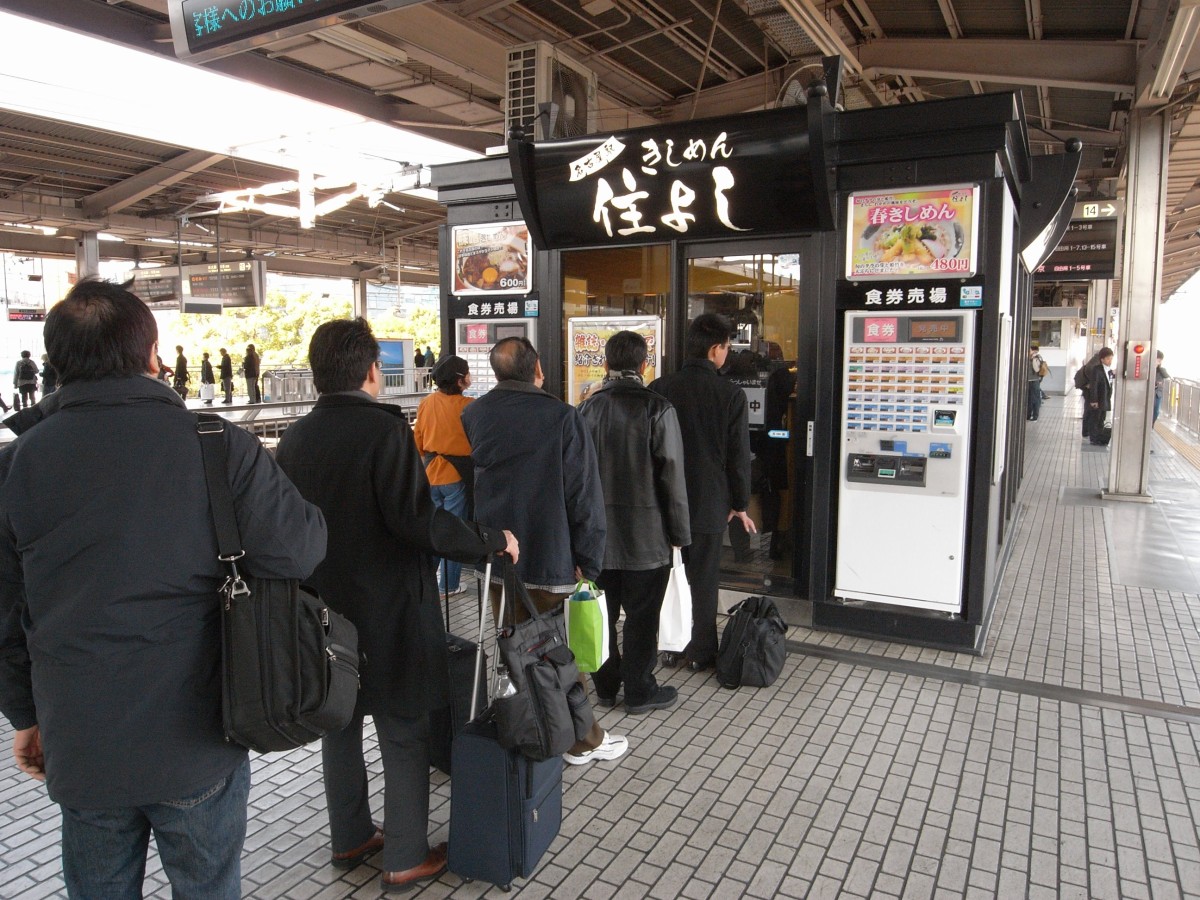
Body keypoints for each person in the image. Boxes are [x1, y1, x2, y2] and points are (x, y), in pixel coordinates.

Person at [0, 278, 327, 899]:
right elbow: (302, 549)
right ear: (154, 356)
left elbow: (5, 611)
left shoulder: (15, 467)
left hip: (81, 740)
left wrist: (25, 715)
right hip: (198, 732)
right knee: (208, 887)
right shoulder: (216, 447)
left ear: (56, 363)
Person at [276, 318, 517, 892]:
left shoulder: (293, 439)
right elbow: (416, 521)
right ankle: (406, 854)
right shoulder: (383, 432)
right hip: (389, 610)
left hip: (322, 611)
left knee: (339, 721)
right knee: (403, 727)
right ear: (369, 372)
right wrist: (488, 541)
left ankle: (351, 835)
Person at [461, 336, 627, 767]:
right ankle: (580, 740)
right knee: (559, 655)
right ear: (538, 372)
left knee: (514, 649)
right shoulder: (561, 416)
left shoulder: (474, 414)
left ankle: (529, 726)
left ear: (496, 374)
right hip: (551, 554)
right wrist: (589, 560)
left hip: (497, 562)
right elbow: (584, 494)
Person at [577, 330, 691, 714]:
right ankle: (640, 691)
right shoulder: (658, 408)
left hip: (597, 538)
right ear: (644, 366)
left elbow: (573, 479)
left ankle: (606, 686)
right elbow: (671, 477)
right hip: (647, 538)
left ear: (605, 365)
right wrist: (680, 535)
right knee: (642, 619)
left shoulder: (585, 410)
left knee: (602, 614)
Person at [649, 313, 756, 672]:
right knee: (704, 578)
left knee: (668, 575)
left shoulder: (661, 388)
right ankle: (700, 651)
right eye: (727, 347)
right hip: (710, 502)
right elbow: (739, 456)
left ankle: (669, 645)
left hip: (664, 500)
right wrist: (739, 503)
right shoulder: (730, 394)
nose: (727, 353)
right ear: (715, 350)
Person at [413, 355, 476, 596]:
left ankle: (427, 581)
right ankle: (449, 585)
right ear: (460, 381)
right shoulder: (469, 405)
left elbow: (418, 440)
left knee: (434, 531)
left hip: (431, 475)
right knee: (453, 532)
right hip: (456, 478)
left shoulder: (427, 403)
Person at [1084, 346, 1116, 444]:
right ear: (1102, 359)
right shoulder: (1097, 370)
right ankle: (1094, 439)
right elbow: (1094, 386)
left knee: (1101, 418)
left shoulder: (1109, 369)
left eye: (1111, 358)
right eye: (1107, 358)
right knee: (1095, 419)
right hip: (1098, 399)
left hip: (1105, 399)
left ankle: (1099, 437)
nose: (1110, 360)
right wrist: (1094, 401)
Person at [1028, 343, 1047, 420]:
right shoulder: (1031, 358)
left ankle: (1035, 416)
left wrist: (1033, 360)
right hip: (1030, 381)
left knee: (1035, 399)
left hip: (1034, 381)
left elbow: (1036, 370)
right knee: (1030, 399)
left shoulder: (1035, 358)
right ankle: (1028, 415)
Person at [1154, 350, 1169, 424]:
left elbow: (1167, 376)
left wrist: (1159, 368)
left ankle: (1151, 424)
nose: (1159, 362)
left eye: (1160, 361)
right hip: (1149, 393)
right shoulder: (1147, 368)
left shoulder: (1161, 370)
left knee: (1156, 411)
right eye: (1158, 360)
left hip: (1157, 394)